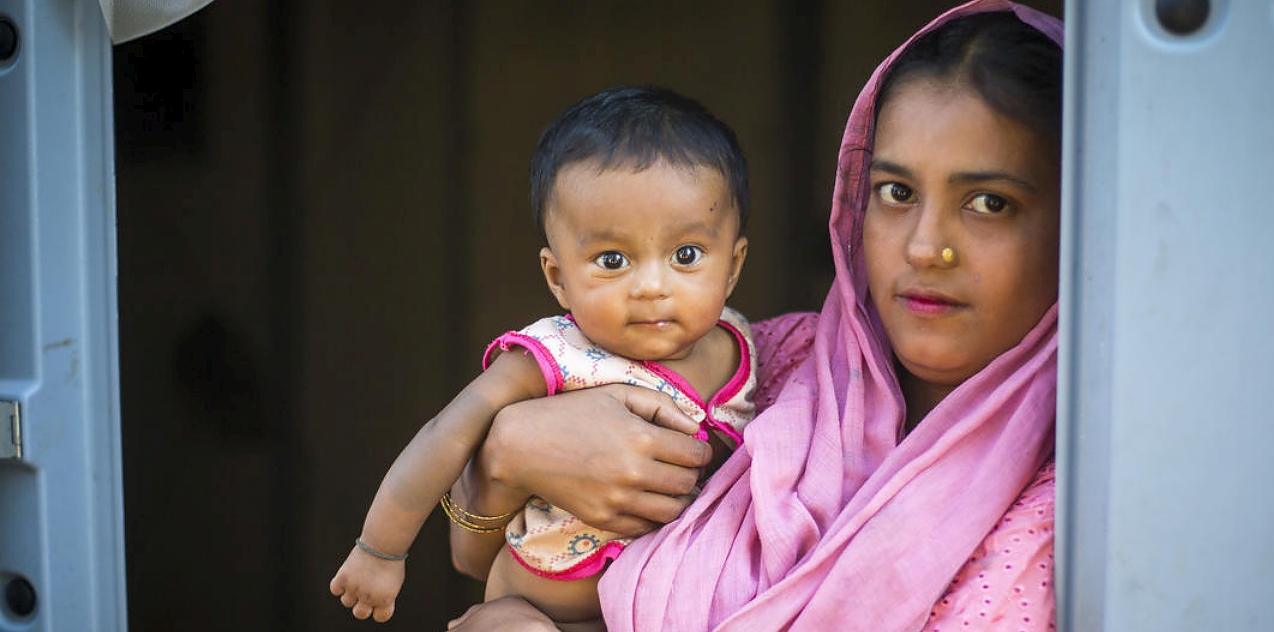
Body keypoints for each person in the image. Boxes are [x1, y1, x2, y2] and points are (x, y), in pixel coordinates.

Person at [447, 0, 1063, 629]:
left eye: (990, 202)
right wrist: (506, 454)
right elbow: (484, 558)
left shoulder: (1081, 508)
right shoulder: (766, 361)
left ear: (1078, 220)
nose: (927, 247)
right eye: (896, 193)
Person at [328, 85, 755, 627]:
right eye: (612, 258)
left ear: (733, 265)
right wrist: (379, 551)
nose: (651, 286)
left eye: (686, 255)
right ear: (557, 277)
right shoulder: (557, 354)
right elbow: (445, 434)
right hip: (535, 610)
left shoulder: (749, 347)